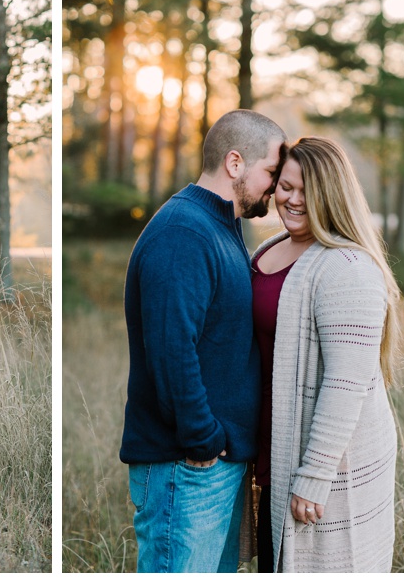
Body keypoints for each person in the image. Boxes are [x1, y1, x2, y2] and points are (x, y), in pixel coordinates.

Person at [119, 109, 288, 573]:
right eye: (270, 172)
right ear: (235, 163)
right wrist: (203, 441)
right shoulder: (183, 232)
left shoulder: (220, 227)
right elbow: (173, 349)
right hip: (189, 467)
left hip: (213, 466)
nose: (274, 187)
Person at [251, 136, 399, 572]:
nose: (291, 199)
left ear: (330, 194)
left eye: (305, 190)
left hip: (326, 464)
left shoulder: (347, 268)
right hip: (273, 449)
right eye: (285, 186)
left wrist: (314, 476)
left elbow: (345, 385)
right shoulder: (269, 249)